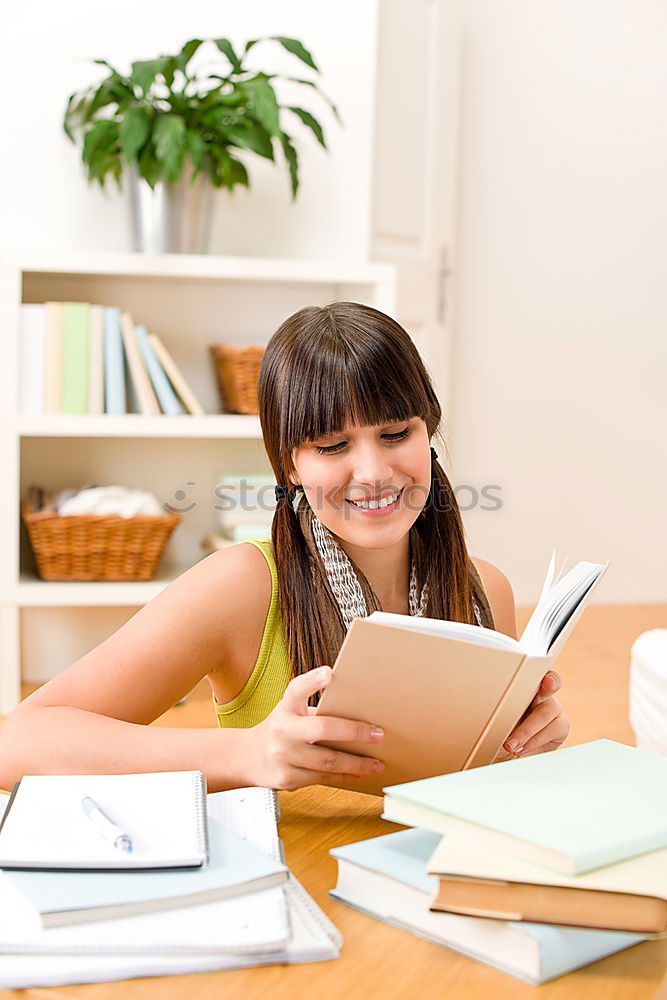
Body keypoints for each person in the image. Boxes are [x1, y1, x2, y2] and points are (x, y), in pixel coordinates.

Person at [0, 303, 568, 793]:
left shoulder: (485, 589)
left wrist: (523, 749)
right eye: (331, 444)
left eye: (396, 433)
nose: (373, 471)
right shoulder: (243, 585)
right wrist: (247, 754)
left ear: (428, 433)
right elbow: (16, 742)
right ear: (290, 463)